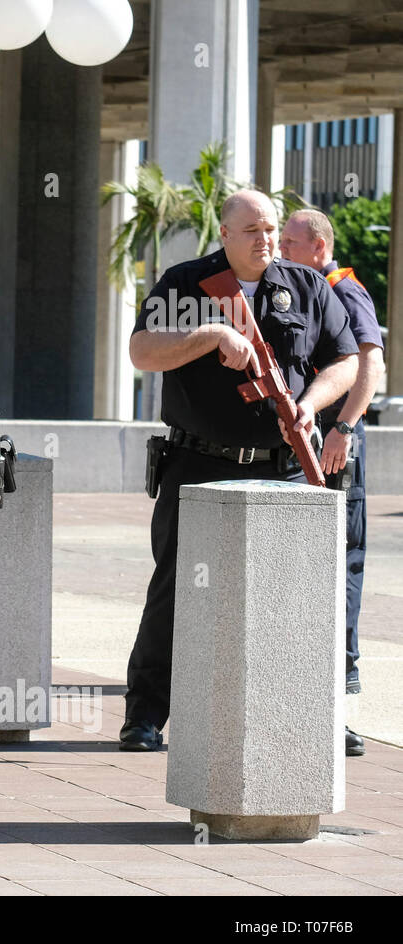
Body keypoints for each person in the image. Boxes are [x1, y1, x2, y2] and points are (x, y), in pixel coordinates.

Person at [120, 190, 359, 752]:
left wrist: (311, 403)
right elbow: (142, 351)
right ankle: (146, 716)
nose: (265, 240)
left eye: (271, 229)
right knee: (176, 591)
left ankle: (316, 711)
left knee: (300, 596)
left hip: (283, 468)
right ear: (223, 234)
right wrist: (211, 335)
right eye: (251, 230)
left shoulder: (304, 286)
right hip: (199, 464)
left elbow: (345, 360)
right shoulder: (184, 283)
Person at [280, 208, 386, 757]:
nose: (278, 249)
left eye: (289, 242)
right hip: (309, 447)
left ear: (319, 248)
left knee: (338, 570)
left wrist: (343, 427)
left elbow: (372, 362)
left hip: (336, 448)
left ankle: (338, 710)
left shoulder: (344, 290)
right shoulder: (302, 288)